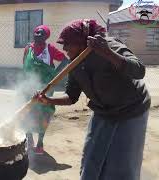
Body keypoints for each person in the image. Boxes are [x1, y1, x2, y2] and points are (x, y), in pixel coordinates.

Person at [34, 19, 151, 180]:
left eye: (68, 43)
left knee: (122, 159)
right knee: (92, 155)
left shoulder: (109, 46)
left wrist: (108, 53)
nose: (64, 48)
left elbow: (139, 71)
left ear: (81, 42)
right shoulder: (74, 63)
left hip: (131, 110)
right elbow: (71, 96)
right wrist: (48, 100)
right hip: (103, 110)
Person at [22, 25, 68, 154]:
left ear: (45, 36)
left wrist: (55, 75)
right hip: (29, 87)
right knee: (27, 112)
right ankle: (29, 139)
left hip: (46, 88)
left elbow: (65, 60)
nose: (37, 35)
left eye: (40, 33)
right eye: (36, 33)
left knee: (44, 114)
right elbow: (25, 66)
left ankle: (40, 143)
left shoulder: (50, 50)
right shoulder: (28, 49)